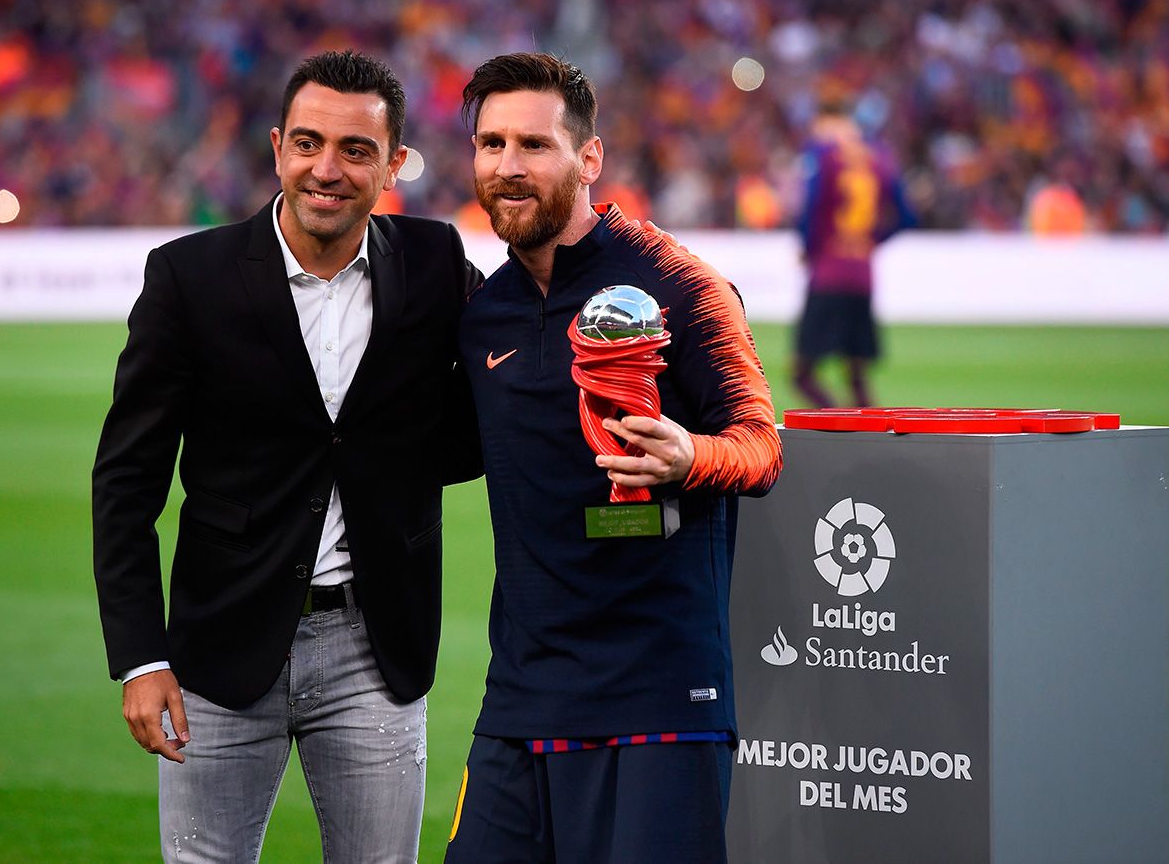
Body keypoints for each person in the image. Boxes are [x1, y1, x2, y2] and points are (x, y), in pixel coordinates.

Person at [91, 50, 481, 863]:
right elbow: (127, 480)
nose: (327, 169)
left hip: (376, 647)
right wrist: (138, 656)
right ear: (276, 148)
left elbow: (512, 374)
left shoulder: (439, 263)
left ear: (395, 162)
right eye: (308, 144)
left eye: (356, 150)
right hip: (217, 652)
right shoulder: (186, 278)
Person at [445, 53, 784, 863]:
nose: (507, 167)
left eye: (534, 145)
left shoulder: (679, 283)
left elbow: (761, 445)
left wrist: (689, 455)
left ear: (588, 158)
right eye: (491, 145)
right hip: (522, 697)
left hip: (660, 693)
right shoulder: (485, 312)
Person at [793, 101, 916, 408]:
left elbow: (813, 207)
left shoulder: (823, 156)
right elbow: (907, 216)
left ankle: (837, 421)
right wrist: (870, 240)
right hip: (862, 275)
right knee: (857, 376)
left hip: (829, 273)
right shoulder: (881, 158)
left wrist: (809, 248)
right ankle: (872, 435)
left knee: (803, 375)